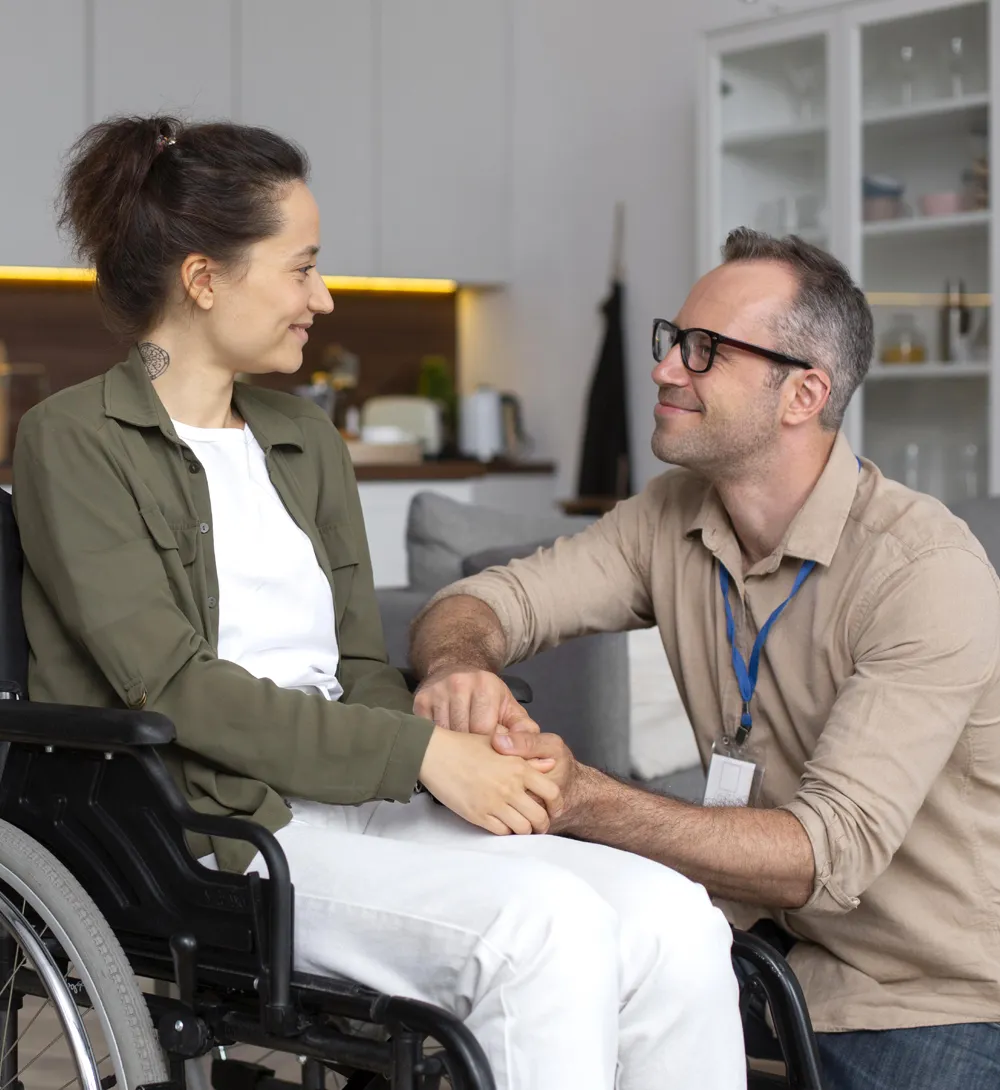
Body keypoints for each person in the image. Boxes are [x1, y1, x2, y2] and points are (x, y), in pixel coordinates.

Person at [12, 115, 745, 1090]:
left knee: (670, 916)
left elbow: (359, 663)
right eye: (301, 267)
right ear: (203, 280)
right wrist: (426, 756)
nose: (321, 297)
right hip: (219, 829)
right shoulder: (74, 439)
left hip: (360, 794)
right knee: (547, 933)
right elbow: (175, 687)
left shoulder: (303, 439)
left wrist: (458, 746)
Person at [411, 230, 1000, 1090]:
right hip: (750, 958)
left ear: (803, 393)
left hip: (927, 999)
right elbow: (484, 603)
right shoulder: (670, 516)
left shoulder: (926, 572)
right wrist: (459, 665)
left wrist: (582, 798)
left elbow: (819, 854)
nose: (663, 370)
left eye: (704, 351)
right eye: (672, 340)